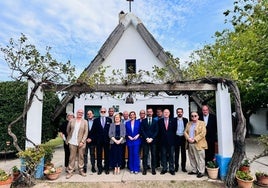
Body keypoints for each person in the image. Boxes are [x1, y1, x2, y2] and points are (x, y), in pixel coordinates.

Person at [66, 109, 88, 179]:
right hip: (72, 142)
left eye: (81, 113)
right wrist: (70, 137)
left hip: (81, 143)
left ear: (83, 114)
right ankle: (70, 172)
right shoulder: (71, 121)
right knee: (71, 157)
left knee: (81, 157)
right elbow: (68, 130)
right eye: (79, 112)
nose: (80, 113)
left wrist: (82, 141)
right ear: (76, 113)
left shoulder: (85, 122)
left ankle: (81, 170)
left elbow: (86, 132)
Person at [184, 111, 207, 178]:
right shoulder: (189, 123)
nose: (193, 117)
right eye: (192, 116)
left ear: (198, 116)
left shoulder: (202, 123)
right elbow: (185, 131)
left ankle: (201, 171)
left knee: (200, 158)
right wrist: (188, 138)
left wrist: (194, 139)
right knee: (192, 157)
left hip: (198, 143)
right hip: (190, 143)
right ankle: (194, 170)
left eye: (195, 116)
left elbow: (203, 133)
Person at [91, 107, 112, 175]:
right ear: (99, 112)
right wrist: (91, 138)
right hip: (98, 141)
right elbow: (93, 131)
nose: (103, 112)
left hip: (107, 140)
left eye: (104, 111)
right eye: (102, 111)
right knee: (99, 155)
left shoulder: (109, 120)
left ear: (106, 112)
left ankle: (106, 168)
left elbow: (111, 130)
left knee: (107, 155)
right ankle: (99, 169)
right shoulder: (96, 120)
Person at [158, 109, 176, 175]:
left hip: (171, 142)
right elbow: (158, 132)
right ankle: (164, 168)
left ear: (169, 113)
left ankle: (171, 169)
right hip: (162, 142)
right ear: (163, 113)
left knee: (171, 155)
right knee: (163, 155)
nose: (166, 113)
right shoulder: (160, 121)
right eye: (165, 112)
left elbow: (175, 131)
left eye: (167, 112)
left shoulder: (173, 121)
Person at [140, 108, 158, 175]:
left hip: (153, 141)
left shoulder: (155, 121)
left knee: (153, 155)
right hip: (145, 141)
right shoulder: (143, 121)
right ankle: (144, 169)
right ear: (146, 113)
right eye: (148, 112)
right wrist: (147, 138)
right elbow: (142, 130)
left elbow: (156, 131)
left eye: (150, 111)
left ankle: (153, 169)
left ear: (152, 113)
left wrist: (152, 138)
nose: (149, 113)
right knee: (145, 155)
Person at [174, 108, 188, 172]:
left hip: (183, 138)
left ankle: (183, 167)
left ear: (183, 112)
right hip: (176, 137)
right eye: (178, 112)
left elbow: (187, 129)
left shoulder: (185, 120)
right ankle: (176, 167)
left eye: (181, 112)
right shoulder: (173, 120)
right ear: (176, 113)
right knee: (176, 153)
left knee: (183, 153)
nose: (180, 113)